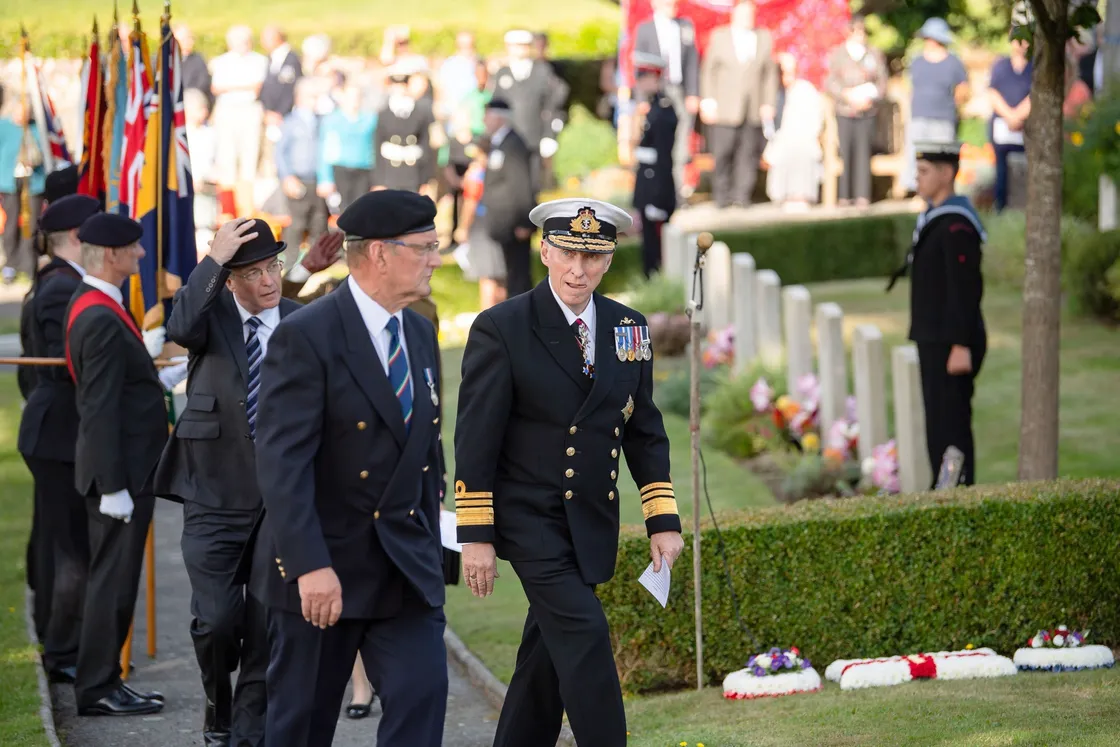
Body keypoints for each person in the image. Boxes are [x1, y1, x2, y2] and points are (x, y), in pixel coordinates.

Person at [455, 198, 685, 747]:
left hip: (589, 518)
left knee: (545, 654)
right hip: (528, 520)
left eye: (593, 256)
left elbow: (644, 431)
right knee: (584, 632)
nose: (578, 270)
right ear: (544, 251)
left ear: (608, 261)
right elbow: (475, 439)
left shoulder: (629, 328)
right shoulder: (502, 327)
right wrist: (475, 537)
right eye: (566, 254)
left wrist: (662, 519)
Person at [253, 189, 448, 747]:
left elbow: (425, 452)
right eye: (426, 247)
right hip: (323, 569)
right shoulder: (307, 334)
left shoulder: (419, 331)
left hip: (401, 567)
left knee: (422, 696)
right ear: (380, 254)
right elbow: (282, 462)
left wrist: (436, 546)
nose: (436, 258)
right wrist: (309, 564)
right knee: (301, 726)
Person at [152, 218, 317, 746]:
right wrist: (214, 258)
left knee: (268, 628)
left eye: (275, 266)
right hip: (212, 494)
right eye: (253, 271)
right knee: (218, 621)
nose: (269, 280)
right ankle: (216, 707)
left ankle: (247, 733)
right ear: (229, 278)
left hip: (280, 503)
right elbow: (178, 328)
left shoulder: (300, 321)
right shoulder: (210, 315)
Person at [65, 211, 168, 716]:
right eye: (134, 248)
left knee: (115, 579)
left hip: (123, 469)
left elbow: (122, 389)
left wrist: (162, 381)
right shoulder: (100, 315)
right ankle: (98, 686)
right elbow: (98, 406)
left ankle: (104, 681)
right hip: (120, 475)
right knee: (113, 581)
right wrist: (111, 485)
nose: (142, 255)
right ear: (111, 255)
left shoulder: (97, 305)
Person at [18, 195, 100, 685]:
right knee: (69, 549)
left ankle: (61, 641)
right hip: (58, 434)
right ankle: (62, 650)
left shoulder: (62, 281)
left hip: (58, 430)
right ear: (78, 236)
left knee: (63, 543)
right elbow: (67, 360)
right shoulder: (60, 288)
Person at [887, 142, 985, 487]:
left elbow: (964, 289)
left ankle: (955, 489)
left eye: (925, 171)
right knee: (937, 421)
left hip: (949, 341)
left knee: (951, 423)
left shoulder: (956, 225)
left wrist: (960, 344)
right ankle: (942, 488)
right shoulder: (935, 217)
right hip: (933, 336)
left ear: (946, 174)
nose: (918, 177)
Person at [699, 0, 778, 208]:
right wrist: (708, 100)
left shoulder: (764, 37)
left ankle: (742, 196)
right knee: (723, 152)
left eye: (750, 14)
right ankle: (722, 196)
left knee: (748, 154)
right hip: (725, 107)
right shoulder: (720, 36)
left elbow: (769, 74)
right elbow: (709, 71)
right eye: (743, 14)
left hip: (753, 107)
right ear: (734, 15)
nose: (747, 19)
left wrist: (768, 102)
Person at [633, 0, 699, 201]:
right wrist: (642, 98)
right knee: (658, 144)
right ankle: (655, 193)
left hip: (679, 90)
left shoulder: (684, 26)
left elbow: (692, 62)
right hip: (656, 93)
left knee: (681, 144)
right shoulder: (644, 29)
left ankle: (677, 193)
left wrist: (693, 92)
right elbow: (640, 68)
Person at [472, 99, 536, 298]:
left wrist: (525, 221)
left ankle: (523, 317)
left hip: (514, 223)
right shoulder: (497, 143)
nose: (484, 120)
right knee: (509, 272)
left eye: (488, 115)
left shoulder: (513, 144)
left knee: (518, 274)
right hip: (502, 223)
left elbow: (522, 184)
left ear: (499, 117)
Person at [825, 13, 888, 207]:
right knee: (847, 152)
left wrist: (870, 97)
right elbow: (830, 81)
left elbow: (882, 82)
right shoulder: (838, 55)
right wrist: (846, 94)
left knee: (863, 152)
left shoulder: (874, 54)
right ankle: (844, 195)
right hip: (845, 110)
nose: (860, 35)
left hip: (867, 111)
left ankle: (862, 195)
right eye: (856, 31)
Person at [903, 18, 969, 194]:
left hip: (943, 117)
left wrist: (955, 104)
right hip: (919, 115)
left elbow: (963, 89)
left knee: (941, 159)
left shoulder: (953, 62)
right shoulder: (916, 61)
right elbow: (910, 88)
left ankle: (941, 191)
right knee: (915, 157)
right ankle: (915, 190)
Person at [629, 53, 677, 277]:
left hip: (656, 191)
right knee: (648, 249)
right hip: (648, 189)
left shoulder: (663, 111)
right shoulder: (653, 108)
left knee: (657, 253)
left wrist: (656, 198)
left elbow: (662, 160)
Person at [275, 79, 329, 268]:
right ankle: (289, 266)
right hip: (297, 180)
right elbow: (280, 152)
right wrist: (286, 177)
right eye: (312, 96)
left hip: (317, 181)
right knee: (296, 225)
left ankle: (315, 265)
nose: (315, 101)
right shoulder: (290, 122)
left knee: (318, 222)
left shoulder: (321, 120)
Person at [763, 54, 823, 211]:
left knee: (802, 149)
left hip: (804, 135)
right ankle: (783, 195)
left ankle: (802, 195)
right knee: (784, 149)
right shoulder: (773, 91)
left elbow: (814, 120)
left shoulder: (806, 89)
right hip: (781, 137)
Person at [373, 62, 436, 194]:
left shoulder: (420, 112)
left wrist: (425, 179)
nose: (399, 89)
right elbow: (377, 146)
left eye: (403, 84)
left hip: (412, 172)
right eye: (396, 85)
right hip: (389, 172)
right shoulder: (384, 113)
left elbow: (425, 146)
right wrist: (378, 181)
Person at [987, 34, 1031, 212]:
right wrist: (1009, 116)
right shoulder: (1000, 65)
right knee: (1001, 172)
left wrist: (1019, 115)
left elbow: (1037, 94)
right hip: (1002, 128)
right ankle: (1001, 208)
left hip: (1026, 128)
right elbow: (992, 92)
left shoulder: (1035, 66)